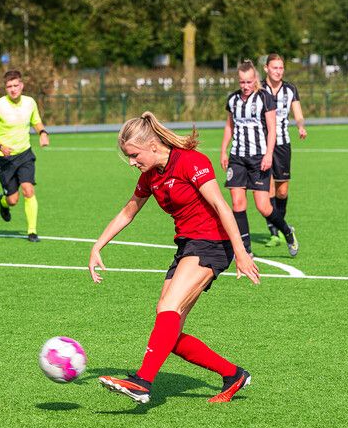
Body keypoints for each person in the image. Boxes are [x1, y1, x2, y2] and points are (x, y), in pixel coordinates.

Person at [89, 112, 260, 404]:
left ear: (152, 146)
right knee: (167, 329)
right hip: (187, 245)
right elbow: (129, 210)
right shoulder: (150, 175)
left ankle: (142, 382)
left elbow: (221, 205)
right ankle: (234, 375)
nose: (132, 162)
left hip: (212, 244)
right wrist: (98, 245)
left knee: (168, 308)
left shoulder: (191, 162)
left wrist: (242, 252)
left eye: (133, 155)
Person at [221, 60, 298, 257]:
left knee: (264, 207)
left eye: (248, 82)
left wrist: (268, 155)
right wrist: (223, 150)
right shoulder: (233, 100)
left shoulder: (265, 98)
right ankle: (246, 250)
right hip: (237, 157)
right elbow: (229, 127)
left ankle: (287, 231)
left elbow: (272, 129)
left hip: (258, 158)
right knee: (238, 203)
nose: (245, 86)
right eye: (242, 82)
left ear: (255, 79)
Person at [0, 70, 50, 242]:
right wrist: (0, 145)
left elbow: (36, 120)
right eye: (9, 86)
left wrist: (42, 132)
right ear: (5, 88)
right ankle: (3, 203)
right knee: (13, 200)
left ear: (22, 85)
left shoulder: (30, 102)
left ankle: (32, 231)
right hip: (5, 159)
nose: (13, 89)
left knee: (29, 189)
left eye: (16, 85)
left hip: (25, 154)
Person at [261, 53, 307, 247]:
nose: (278, 71)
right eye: (275, 68)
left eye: (281, 68)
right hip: (261, 144)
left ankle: (281, 224)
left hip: (283, 145)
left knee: (282, 190)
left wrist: (300, 126)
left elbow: (297, 112)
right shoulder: (259, 89)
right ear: (266, 69)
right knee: (268, 187)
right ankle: (274, 232)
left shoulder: (290, 89)